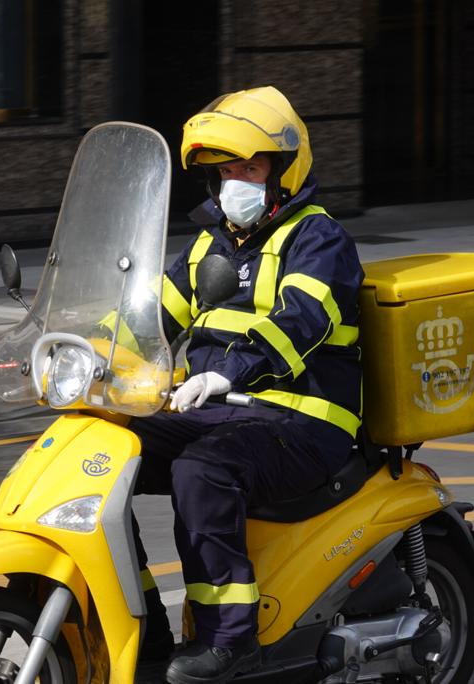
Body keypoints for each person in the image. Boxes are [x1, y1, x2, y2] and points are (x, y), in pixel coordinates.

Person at [129, 86, 365, 684]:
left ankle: (231, 642)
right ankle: (142, 626)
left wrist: (223, 370)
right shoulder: (211, 242)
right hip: (226, 413)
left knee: (200, 472)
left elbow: (301, 322)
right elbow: (149, 318)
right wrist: (80, 351)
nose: (237, 181)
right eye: (226, 170)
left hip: (304, 421)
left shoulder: (320, 239)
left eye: (251, 168)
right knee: (105, 454)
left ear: (285, 169)